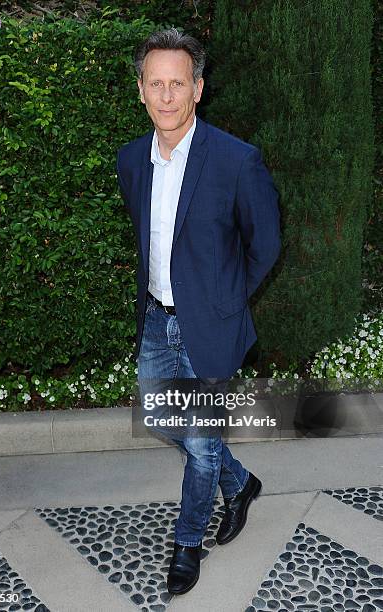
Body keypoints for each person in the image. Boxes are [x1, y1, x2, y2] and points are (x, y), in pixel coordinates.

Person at [116, 27, 281, 596]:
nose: (166, 96)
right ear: (141, 90)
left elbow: (266, 243)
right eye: (155, 84)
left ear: (198, 89)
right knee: (164, 420)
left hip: (212, 325)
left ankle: (188, 543)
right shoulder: (131, 160)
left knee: (202, 450)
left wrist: (227, 303)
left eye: (177, 84)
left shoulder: (237, 160)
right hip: (157, 318)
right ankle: (242, 484)